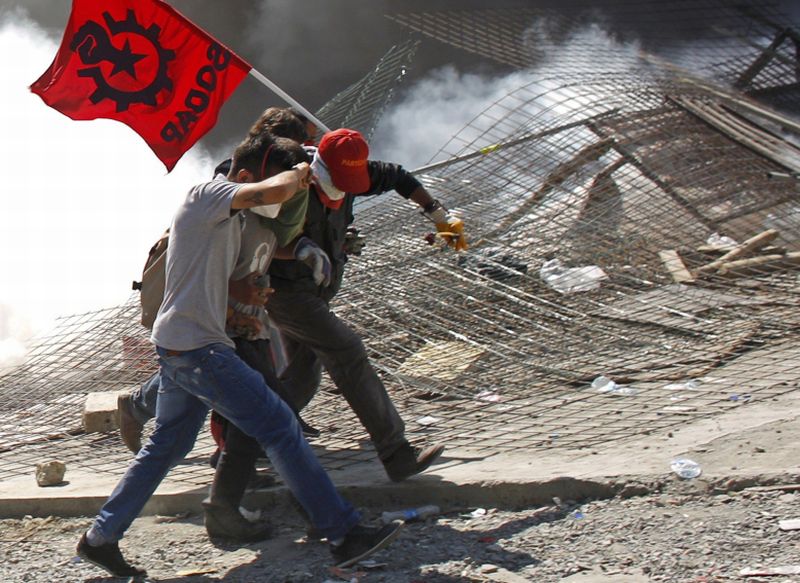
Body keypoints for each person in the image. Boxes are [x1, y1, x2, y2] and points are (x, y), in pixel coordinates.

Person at [77, 133, 403, 577]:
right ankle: (343, 532)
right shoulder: (208, 194)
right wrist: (303, 171)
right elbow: (270, 192)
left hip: (185, 343)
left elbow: (206, 279)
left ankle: (100, 538)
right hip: (197, 349)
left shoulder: (231, 222)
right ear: (245, 177)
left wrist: (241, 303)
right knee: (280, 426)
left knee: (167, 446)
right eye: (269, 185)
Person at [267, 128, 468, 482]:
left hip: (316, 290)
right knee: (347, 351)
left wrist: (436, 213)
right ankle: (396, 452)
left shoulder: (352, 174)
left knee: (303, 370)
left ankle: (244, 444)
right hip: (284, 290)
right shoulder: (291, 181)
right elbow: (256, 236)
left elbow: (397, 176)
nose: (345, 188)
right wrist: (299, 248)